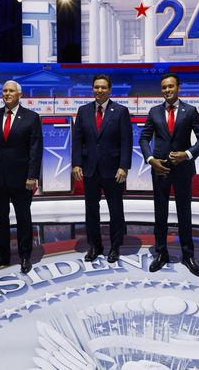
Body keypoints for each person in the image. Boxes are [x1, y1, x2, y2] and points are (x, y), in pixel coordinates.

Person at [139, 73, 199, 277]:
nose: (167, 90)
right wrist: (151, 159)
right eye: (164, 87)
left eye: (170, 86)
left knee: (184, 214)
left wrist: (187, 155)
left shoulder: (190, 111)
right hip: (160, 169)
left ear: (178, 87)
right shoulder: (154, 112)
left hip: (183, 170)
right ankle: (161, 254)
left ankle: (188, 256)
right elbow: (144, 139)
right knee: (159, 214)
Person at [0, 80, 42, 274]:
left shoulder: (31, 118)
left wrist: (33, 176)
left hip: (23, 179)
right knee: (0, 218)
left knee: (23, 218)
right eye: (4, 91)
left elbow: (36, 149)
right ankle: (2, 257)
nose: (7, 94)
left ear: (19, 95)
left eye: (11, 91)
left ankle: (25, 256)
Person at [72, 74, 132, 263]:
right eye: (96, 87)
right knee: (91, 211)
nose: (99, 90)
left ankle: (115, 246)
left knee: (115, 210)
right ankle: (95, 246)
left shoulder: (121, 111)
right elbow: (77, 141)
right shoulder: (83, 111)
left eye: (103, 87)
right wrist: (76, 164)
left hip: (114, 170)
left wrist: (124, 166)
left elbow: (126, 141)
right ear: (92, 89)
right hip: (90, 170)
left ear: (109, 89)